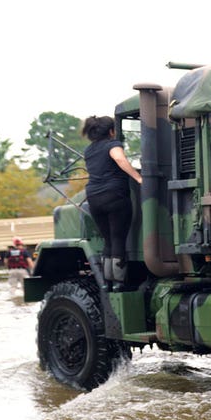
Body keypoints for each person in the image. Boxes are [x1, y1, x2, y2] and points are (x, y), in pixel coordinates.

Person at [82, 116, 143, 291]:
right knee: (118, 238)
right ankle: (119, 282)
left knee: (107, 240)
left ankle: (107, 282)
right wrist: (138, 177)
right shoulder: (112, 144)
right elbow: (120, 159)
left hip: (93, 197)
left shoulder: (89, 150)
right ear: (111, 131)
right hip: (114, 195)